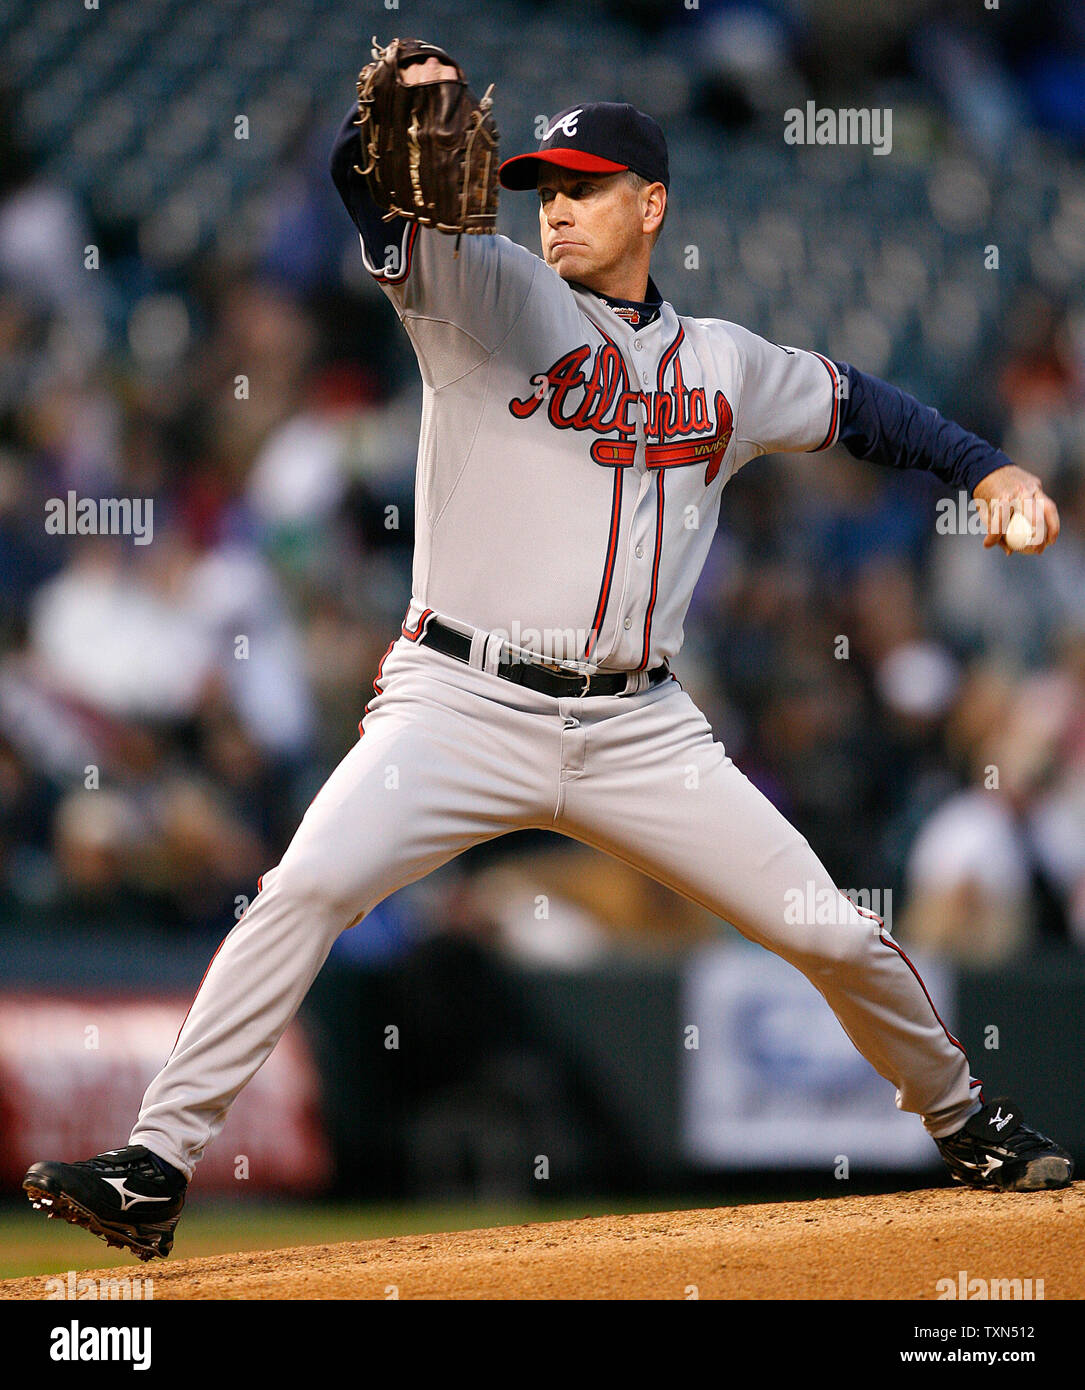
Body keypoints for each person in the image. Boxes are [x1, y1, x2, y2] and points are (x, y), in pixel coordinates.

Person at [23, 46, 1072, 1263]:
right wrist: (374, 148)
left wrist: (987, 470)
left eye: (582, 184)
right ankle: (155, 1163)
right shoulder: (483, 294)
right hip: (458, 701)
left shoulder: (726, 365)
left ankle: (964, 1117)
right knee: (302, 889)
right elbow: (367, 192)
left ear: (653, 204)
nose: (555, 205)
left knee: (830, 931)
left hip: (640, 728)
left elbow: (866, 408)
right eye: (542, 187)